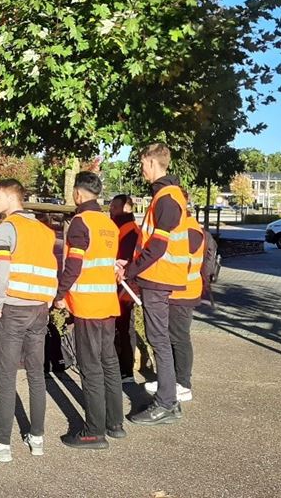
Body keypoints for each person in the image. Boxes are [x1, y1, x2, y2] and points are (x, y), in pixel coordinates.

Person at [0, 179, 57, 463]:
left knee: (7, 375)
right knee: (36, 375)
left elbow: (1, 271)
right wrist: (46, 301)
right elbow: (51, 270)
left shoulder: (7, 228)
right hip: (39, 308)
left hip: (13, 306)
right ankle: (37, 438)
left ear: (12, 198)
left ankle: (1, 443)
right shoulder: (45, 231)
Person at [117, 143, 188, 425]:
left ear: (152, 162)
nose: (141, 169)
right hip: (158, 276)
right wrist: (132, 266)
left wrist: (132, 271)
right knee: (161, 340)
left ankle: (166, 404)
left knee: (158, 340)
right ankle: (169, 400)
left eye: (143, 163)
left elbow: (157, 248)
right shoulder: (167, 196)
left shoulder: (166, 199)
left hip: (158, 278)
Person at [54, 172, 124, 449]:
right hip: (107, 302)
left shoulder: (81, 223)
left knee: (90, 367)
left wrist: (59, 294)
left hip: (87, 305)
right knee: (109, 362)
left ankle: (94, 431)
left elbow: (74, 265)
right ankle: (114, 423)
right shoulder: (109, 224)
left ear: (78, 194)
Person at [144, 193, 205, 403]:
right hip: (178, 290)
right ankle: (171, 382)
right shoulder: (187, 227)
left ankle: (183, 384)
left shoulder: (189, 229)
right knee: (171, 337)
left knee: (178, 338)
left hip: (183, 292)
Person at [109, 194, 140, 382]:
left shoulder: (129, 230)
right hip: (120, 284)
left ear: (126, 208)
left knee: (124, 325)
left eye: (114, 207)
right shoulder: (122, 227)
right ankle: (123, 367)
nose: (111, 211)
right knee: (121, 326)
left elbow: (126, 259)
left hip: (125, 286)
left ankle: (126, 369)